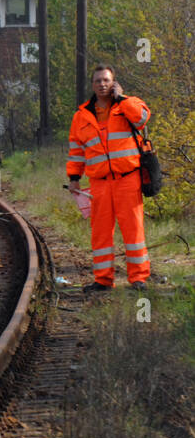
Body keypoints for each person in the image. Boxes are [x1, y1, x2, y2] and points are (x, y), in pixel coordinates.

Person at [66, 65, 151, 292]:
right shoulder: (81, 115)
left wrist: (122, 97)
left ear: (113, 82)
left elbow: (142, 119)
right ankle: (103, 280)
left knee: (133, 230)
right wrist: (74, 177)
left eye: (106, 80)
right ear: (92, 85)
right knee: (101, 233)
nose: (102, 84)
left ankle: (139, 278)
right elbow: (76, 150)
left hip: (128, 179)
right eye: (98, 81)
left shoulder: (127, 105)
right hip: (99, 183)